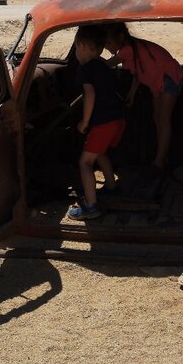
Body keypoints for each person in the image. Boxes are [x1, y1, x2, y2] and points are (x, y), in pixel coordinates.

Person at [104, 23, 183, 171]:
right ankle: (162, 155)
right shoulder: (132, 47)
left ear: (121, 37)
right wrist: (132, 95)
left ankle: (159, 161)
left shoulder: (127, 49)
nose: (106, 47)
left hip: (169, 77)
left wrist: (90, 57)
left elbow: (106, 65)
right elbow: (138, 74)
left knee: (163, 119)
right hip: (158, 81)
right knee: (157, 118)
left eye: (108, 43)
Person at [67, 25, 126, 221]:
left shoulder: (85, 70)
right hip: (118, 119)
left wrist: (84, 121)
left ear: (81, 45)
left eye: (75, 48)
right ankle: (111, 187)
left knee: (85, 162)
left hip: (103, 123)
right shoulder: (102, 65)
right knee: (100, 152)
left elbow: (90, 94)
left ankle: (91, 206)